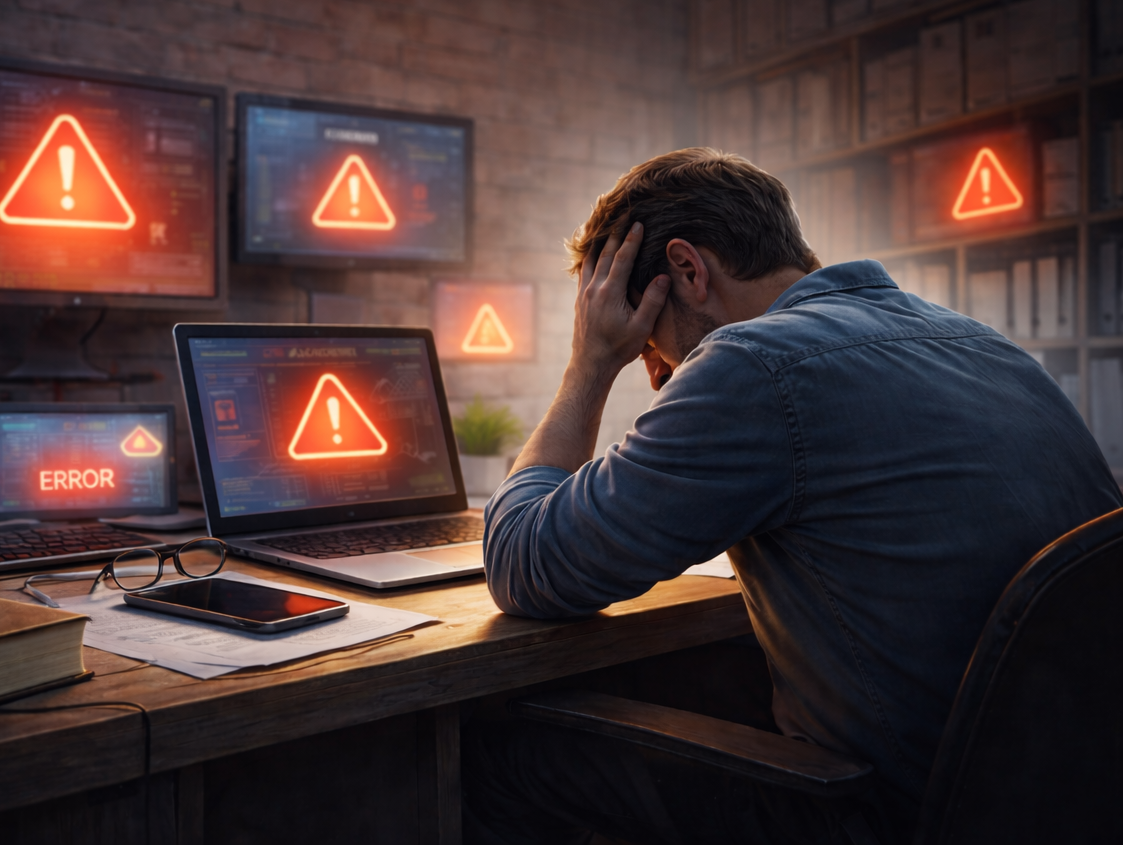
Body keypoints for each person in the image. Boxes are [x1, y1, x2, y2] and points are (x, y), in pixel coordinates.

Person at [464, 148, 1121, 845]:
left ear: (688, 271)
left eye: (648, 339)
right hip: (1061, 801)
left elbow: (523, 563)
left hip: (893, 813)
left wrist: (591, 362)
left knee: (505, 756)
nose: (657, 371)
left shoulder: (753, 366)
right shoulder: (986, 345)